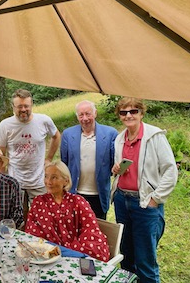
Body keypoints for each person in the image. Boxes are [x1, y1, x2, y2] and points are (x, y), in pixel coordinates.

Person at [111, 97, 178, 283]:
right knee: (127, 255)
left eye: (133, 111)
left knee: (145, 259)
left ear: (141, 113)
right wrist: (116, 169)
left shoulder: (154, 136)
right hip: (122, 201)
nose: (128, 115)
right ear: (119, 116)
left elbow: (170, 171)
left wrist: (155, 199)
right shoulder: (119, 138)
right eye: (124, 112)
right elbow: (125, 169)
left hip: (144, 203)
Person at [0, 89, 61, 221]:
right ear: (13, 107)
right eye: (19, 106)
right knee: (19, 219)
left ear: (31, 105)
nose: (23, 109)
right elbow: (0, 154)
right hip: (15, 181)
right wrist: (3, 178)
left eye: (26, 106)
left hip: (39, 180)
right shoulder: (5, 125)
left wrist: (48, 159)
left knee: (44, 218)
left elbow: (56, 136)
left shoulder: (43, 121)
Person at [25, 161, 110, 262]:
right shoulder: (38, 202)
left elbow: (91, 231)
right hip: (46, 257)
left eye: (54, 177)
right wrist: (49, 251)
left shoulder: (78, 201)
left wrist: (68, 249)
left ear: (66, 181)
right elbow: (33, 233)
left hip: (75, 255)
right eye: (46, 177)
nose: (48, 182)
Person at [60, 100, 118, 219]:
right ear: (77, 117)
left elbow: (113, 163)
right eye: (81, 115)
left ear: (95, 113)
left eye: (88, 114)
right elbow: (64, 164)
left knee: (97, 229)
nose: (85, 118)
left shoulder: (110, 133)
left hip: (99, 194)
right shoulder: (67, 134)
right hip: (75, 193)